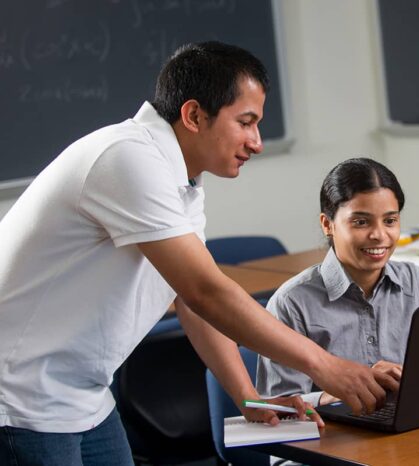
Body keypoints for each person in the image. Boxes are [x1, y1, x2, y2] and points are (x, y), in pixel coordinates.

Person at [0, 42, 396, 465]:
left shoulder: (182, 181)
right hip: (22, 398)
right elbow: (206, 291)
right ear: (192, 115)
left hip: (83, 396)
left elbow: (191, 300)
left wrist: (249, 398)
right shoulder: (127, 158)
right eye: (246, 122)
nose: (257, 142)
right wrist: (325, 366)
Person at [257, 158, 419, 406]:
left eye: (390, 221)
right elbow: (276, 409)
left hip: (410, 426)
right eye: (361, 222)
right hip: (332, 439)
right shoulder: (292, 303)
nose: (379, 235)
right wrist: (335, 394)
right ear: (327, 224)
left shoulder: (417, 283)